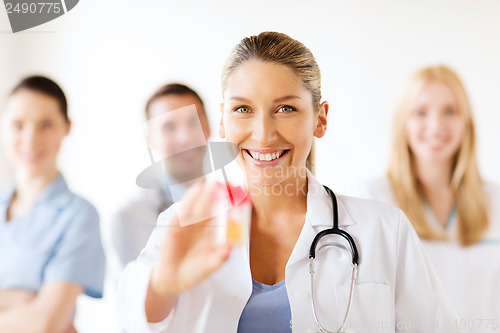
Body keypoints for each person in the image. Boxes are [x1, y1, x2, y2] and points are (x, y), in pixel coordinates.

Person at [118, 32, 463, 333]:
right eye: (243, 109)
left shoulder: (385, 230)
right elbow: (134, 320)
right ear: (222, 122)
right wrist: (163, 286)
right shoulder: (183, 224)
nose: (263, 134)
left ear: (320, 119)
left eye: (285, 109)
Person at [356, 65, 500, 333]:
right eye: (420, 112)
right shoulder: (374, 199)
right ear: (403, 123)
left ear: (465, 121)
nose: (436, 126)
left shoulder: (496, 201)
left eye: (450, 111)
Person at [0, 75, 106, 332]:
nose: (30, 139)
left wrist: (36, 310)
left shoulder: (79, 216)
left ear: (67, 127)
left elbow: (46, 324)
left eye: (45, 125)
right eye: (18, 125)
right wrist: (25, 303)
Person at [109, 83, 211, 282]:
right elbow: (139, 303)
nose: (185, 138)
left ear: (208, 127)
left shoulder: (234, 204)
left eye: (194, 122)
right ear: (150, 139)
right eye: (169, 127)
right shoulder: (130, 216)